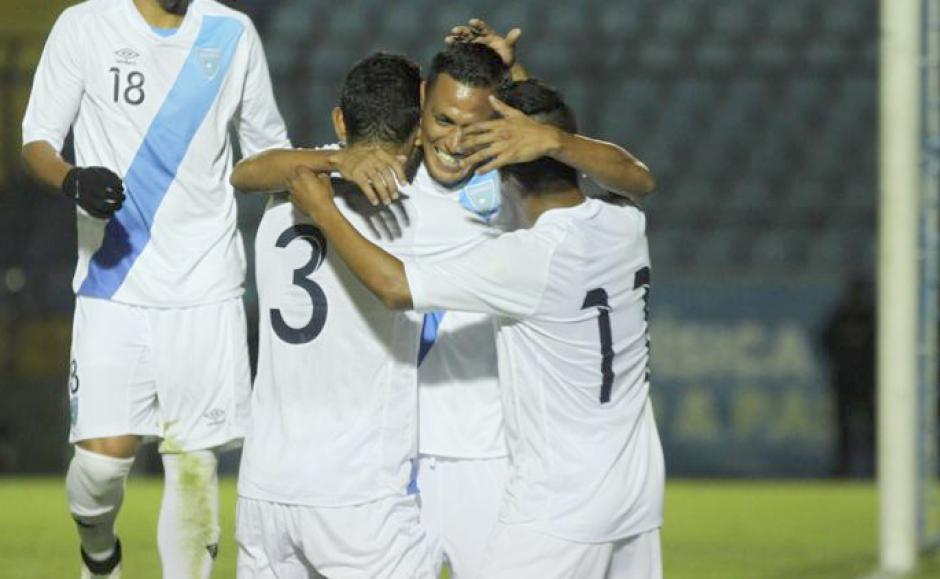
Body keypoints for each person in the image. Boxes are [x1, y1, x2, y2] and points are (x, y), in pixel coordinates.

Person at [287, 78, 665, 579]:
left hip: (563, 498)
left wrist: (323, 211)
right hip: (637, 483)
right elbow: (636, 176)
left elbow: (395, 287)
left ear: (503, 171)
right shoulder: (623, 221)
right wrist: (551, 134)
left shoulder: (527, 261)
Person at [20, 0, 290, 577]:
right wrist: (73, 179)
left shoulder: (232, 32)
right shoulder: (86, 24)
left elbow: (266, 148)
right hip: (112, 281)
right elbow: (37, 140)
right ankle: (99, 553)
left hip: (208, 284)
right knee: (100, 469)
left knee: (194, 464)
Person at [233, 52, 439, 579]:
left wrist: (332, 162)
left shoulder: (293, 182)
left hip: (266, 489)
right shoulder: (421, 208)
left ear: (339, 121)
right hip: (358, 492)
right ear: (418, 133)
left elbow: (245, 170)